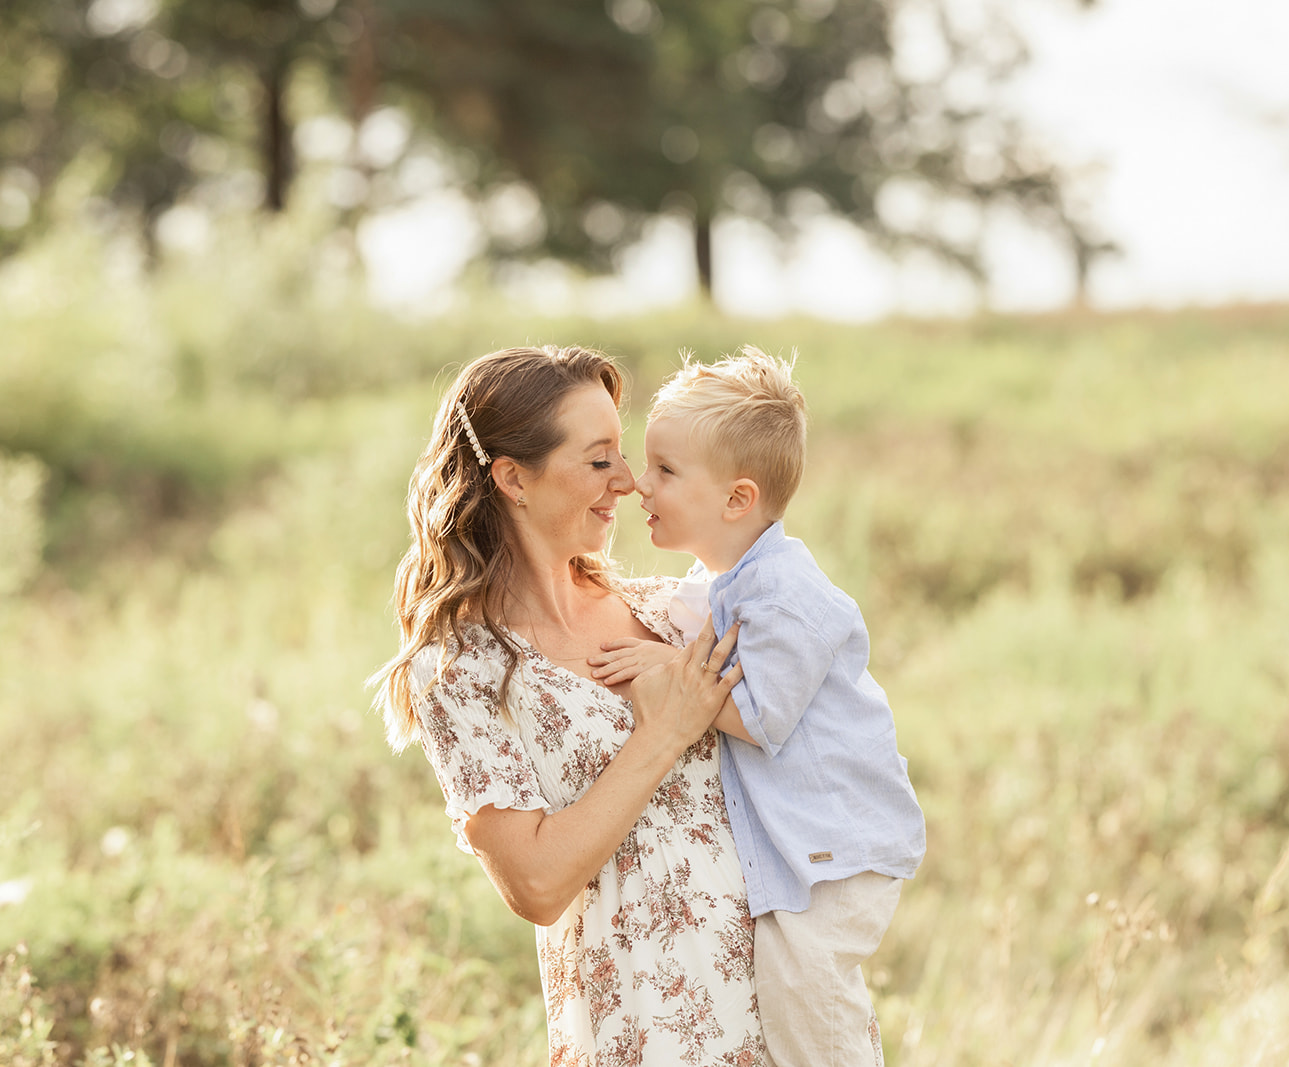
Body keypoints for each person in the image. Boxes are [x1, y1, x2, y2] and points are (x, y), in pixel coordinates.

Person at [370, 345, 770, 1066]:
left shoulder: (671, 612)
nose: (628, 481)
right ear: (513, 478)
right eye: (598, 460)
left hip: (780, 999)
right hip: (645, 1025)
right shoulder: (462, 671)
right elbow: (537, 883)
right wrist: (663, 734)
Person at [588, 347, 926, 1067]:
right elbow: (680, 622)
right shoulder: (722, 582)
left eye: (665, 471)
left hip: (839, 850)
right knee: (784, 990)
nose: (639, 484)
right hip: (810, 848)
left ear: (737, 499)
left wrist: (668, 668)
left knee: (804, 991)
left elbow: (758, 716)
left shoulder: (786, 595)